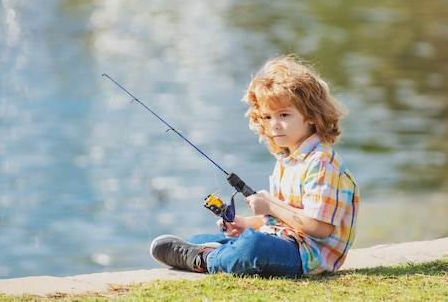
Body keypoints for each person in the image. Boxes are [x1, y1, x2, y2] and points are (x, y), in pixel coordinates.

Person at [150, 54, 359, 277]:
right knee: (198, 240)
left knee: (255, 246)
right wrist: (246, 223)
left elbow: (319, 228)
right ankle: (209, 252)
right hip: (283, 239)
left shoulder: (321, 163)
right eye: (267, 117)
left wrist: (269, 205)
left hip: (307, 256)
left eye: (284, 115)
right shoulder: (287, 159)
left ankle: (208, 258)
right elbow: (283, 219)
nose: (274, 125)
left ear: (311, 116)